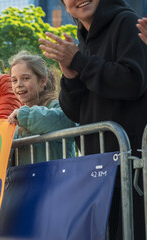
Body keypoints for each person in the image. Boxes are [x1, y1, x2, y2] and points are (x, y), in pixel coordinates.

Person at [39, 0, 147, 239]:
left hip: (131, 166)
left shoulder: (127, 22)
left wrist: (79, 61)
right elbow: (75, 112)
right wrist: (69, 74)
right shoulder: (82, 42)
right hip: (98, 170)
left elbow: (132, 82)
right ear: (65, 5)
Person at [6, 51, 76, 165]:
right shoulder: (19, 116)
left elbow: (68, 120)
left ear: (43, 80)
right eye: (14, 80)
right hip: (29, 181)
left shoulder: (56, 105)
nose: (19, 84)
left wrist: (26, 117)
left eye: (25, 78)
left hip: (57, 179)